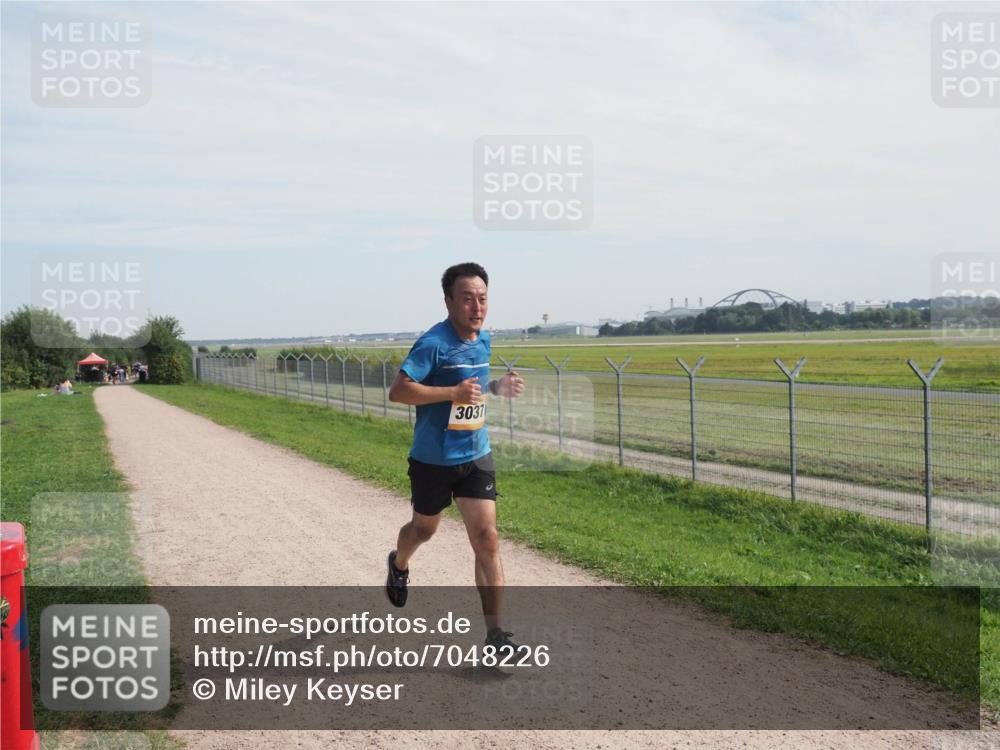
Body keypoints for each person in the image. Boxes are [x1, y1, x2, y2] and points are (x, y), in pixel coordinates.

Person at [385, 262, 525, 655]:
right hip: (432, 460)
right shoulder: (434, 343)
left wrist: (497, 387)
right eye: (467, 299)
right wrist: (450, 394)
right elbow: (399, 391)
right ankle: (398, 563)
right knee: (423, 530)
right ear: (448, 301)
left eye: (482, 298)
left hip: (476, 455)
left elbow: (474, 387)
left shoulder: (483, 340)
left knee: (487, 538)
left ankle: (496, 637)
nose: (476, 306)